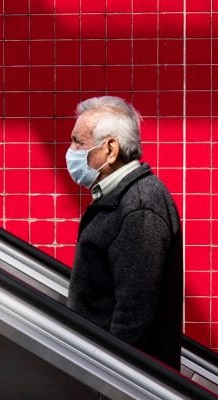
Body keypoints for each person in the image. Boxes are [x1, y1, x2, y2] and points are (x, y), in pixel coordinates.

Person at [65, 96, 183, 369]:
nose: (71, 151)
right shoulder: (123, 198)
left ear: (110, 149)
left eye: (78, 142)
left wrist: (108, 376)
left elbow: (135, 312)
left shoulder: (139, 207)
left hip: (119, 384)